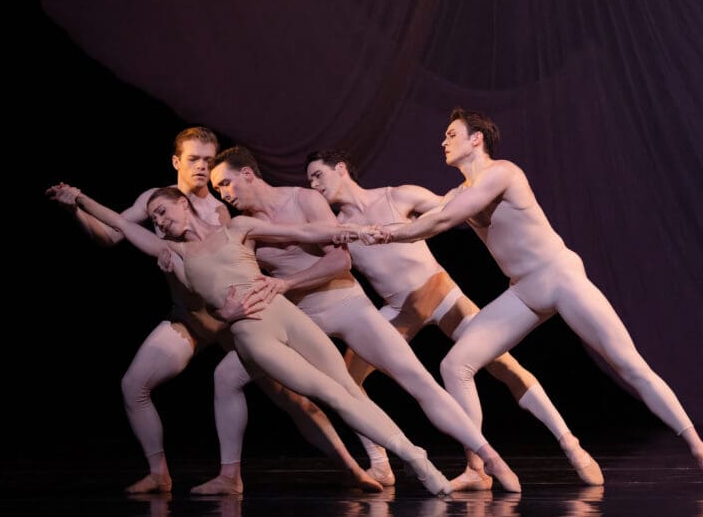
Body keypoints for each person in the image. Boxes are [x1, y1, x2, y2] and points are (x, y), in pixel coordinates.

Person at [358, 107, 703, 489]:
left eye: (452, 134)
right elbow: (428, 217)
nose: (444, 141)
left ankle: (700, 450)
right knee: (455, 364)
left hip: (558, 275)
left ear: (476, 139)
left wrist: (387, 236)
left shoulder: (503, 173)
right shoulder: (458, 193)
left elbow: (438, 223)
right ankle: (477, 468)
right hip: (523, 292)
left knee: (628, 364)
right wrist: (365, 230)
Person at [46, 181, 455, 497]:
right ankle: (415, 460)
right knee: (329, 395)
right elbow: (118, 223)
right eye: (153, 217)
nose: (160, 221)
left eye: (163, 211)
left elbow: (301, 229)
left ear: (183, 203)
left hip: (287, 316)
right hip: (254, 336)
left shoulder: (238, 228)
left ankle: (415, 456)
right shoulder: (173, 254)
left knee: (351, 390)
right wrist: (79, 198)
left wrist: (357, 232)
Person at [209, 146, 521, 493]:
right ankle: (231, 476)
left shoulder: (303, 200)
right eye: (218, 189)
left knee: (417, 379)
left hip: (347, 303)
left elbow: (339, 262)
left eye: (225, 183)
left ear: (248, 174)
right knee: (227, 376)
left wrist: (286, 283)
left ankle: (490, 458)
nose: (223, 193)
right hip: (301, 319)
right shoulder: (242, 227)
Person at [304, 149, 603, 490]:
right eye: (309, 180)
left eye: (318, 175)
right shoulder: (338, 228)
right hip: (399, 310)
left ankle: (570, 444)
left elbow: (454, 211)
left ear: (341, 168)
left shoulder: (397, 195)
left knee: (504, 366)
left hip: (440, 294)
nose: (314, 185)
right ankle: (381, 464)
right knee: (346, 378)